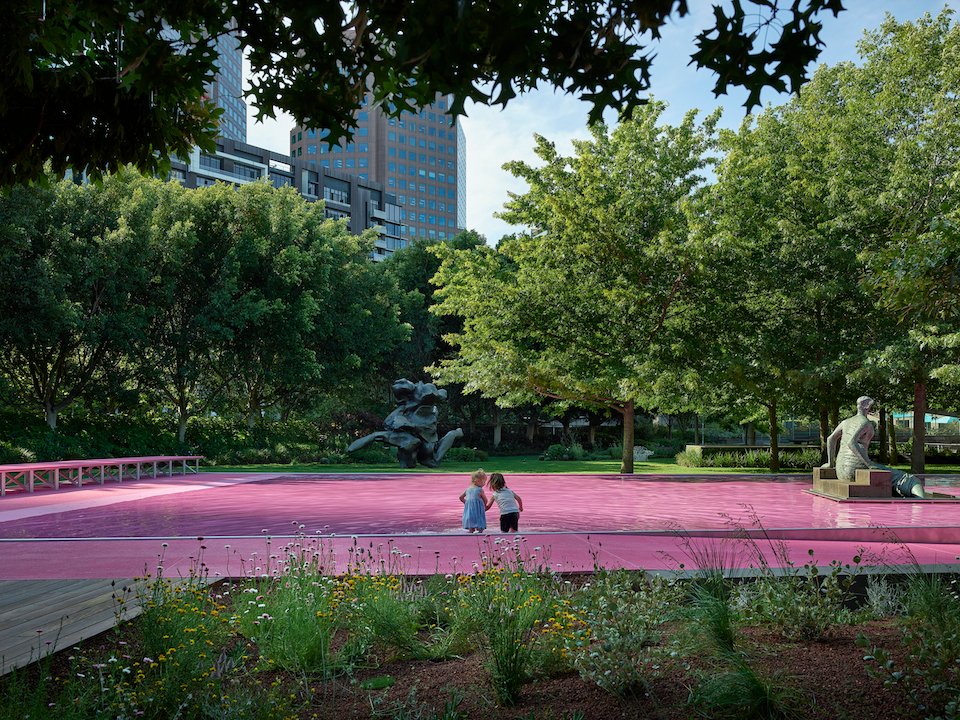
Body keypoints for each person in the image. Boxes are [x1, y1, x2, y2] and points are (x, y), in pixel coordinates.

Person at [823, 395, 925, 498]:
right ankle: (921, 502)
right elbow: (851, 442)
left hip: (840, 471)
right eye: (871, 406)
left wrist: (830, 463)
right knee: (912, 480)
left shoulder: (845, 422)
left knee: (888, 476)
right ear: (867, 407)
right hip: (856, 469)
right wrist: (869, 464)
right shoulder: (865, 423)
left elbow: (830, 439)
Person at [460, 469, 489, 533]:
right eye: (484, 482)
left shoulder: (468, 489)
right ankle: (480, 532)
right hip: (478, 510)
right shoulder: (479, 490)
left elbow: (461, 497)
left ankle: (471, 533)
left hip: (469, 510)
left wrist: (467, 503)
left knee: (471, 524)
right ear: (478, 481)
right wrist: (485, 507)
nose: (484, 484)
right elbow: (485, 500)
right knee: (479, 522)